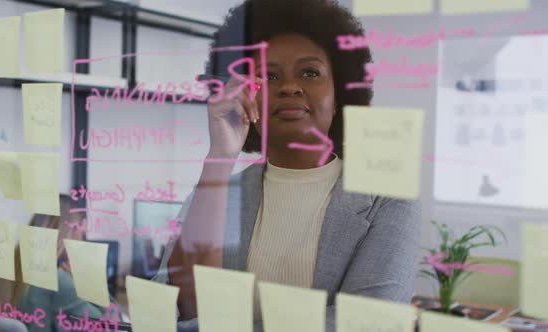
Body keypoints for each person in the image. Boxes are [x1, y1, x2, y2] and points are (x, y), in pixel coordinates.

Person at [153, 0, 422, 329]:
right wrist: (220, 157)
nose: (289, 87)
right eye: (268, 75)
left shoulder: (388, 202)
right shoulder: (215, 188)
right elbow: (184, 308)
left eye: (310, 72)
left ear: (339, 95)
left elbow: (366, 325)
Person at [0, 195, 120, 332]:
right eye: (82, 234)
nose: (83, 242)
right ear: (70, 232)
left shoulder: (5, 269)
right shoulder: (58, 282)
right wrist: (92, 287)